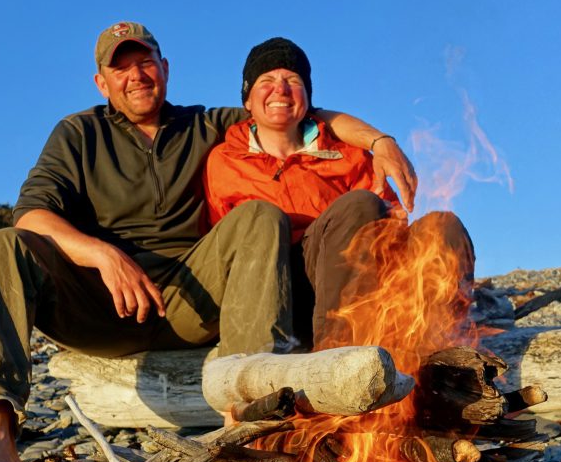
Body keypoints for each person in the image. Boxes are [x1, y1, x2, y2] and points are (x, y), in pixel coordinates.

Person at [0, 22, 418, 462]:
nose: (137, 76)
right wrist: (104, 255)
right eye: (122, 68)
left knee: (259, 216)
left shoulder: (202, 124)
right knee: (1, 246)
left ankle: (250, 421)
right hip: (102, 305)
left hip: (189, 300)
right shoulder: (78, 133)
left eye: (146, 63)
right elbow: (31, 215)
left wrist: (380, 141)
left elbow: (286, 109)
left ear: (165, 68)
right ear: (102, 83)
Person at [203, 37, 474, 347]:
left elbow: (390, 228)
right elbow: (224, 245)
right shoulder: (224, 160)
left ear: (308, 99)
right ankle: (337, 353)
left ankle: (437, 348)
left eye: (293, 81)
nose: (281, 89)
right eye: (266, 81)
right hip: (277, 295)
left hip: (355, 284)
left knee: (442, 227)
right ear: (247, 101)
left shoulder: (348, 154)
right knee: (357, 205)